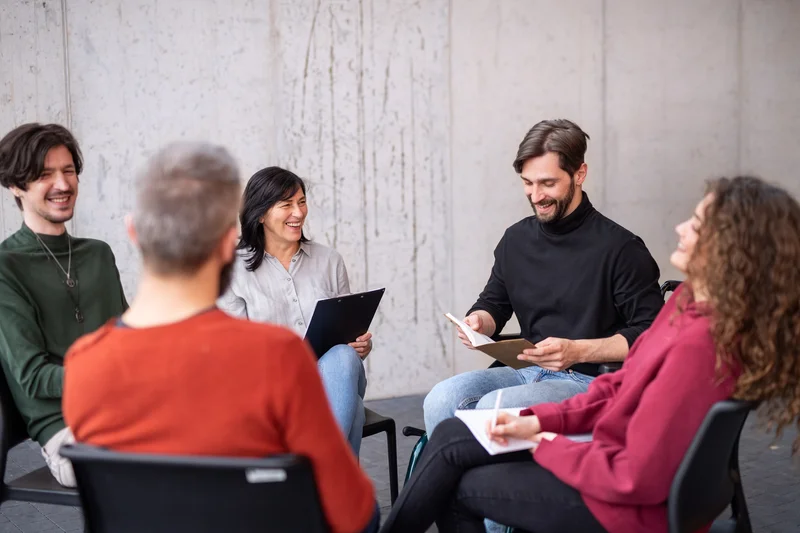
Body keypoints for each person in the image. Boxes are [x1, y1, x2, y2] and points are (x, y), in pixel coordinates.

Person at [379, 176, 800, 533]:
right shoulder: (685, 303)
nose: (681, 227)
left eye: (698, 223)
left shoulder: (698, 344)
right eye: (528, 182)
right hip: (607, 459)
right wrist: (534, 421)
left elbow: (637, 478)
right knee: (454, 434)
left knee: (458, 483)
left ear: (733, 248)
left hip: (624, 507)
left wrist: (542, 441)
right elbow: (618, 388)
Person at [62, 142, 379, 533]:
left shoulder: (83, 364)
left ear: (133, 232)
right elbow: (353, 514)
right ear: (231, 241)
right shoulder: (276, 354)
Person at [424, 119, 663, 432]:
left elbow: (653, 335)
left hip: (591, 381)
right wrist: (479, 322)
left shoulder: (621, 248)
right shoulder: (515, 240)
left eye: (547, 183)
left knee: (491, 410)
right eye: (528, 183)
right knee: (441, 398)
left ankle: (484, 478)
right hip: (527, 369)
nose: (535, 195)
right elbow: (493, 304)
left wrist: (578, 351)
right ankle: (462, 479)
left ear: (579, 174)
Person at [0, 123, 127, 487]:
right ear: (15, 185)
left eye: (68, 171)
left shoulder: (98, 254)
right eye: (44, 175)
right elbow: (33, 377)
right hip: (68, 431)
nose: (63, 184)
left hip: (126, 411)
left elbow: (131, 341)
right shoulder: (7, 266)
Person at [218, 167, 372, 455]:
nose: (299, 212)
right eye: (286, 204)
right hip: (273, 390)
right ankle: (334, 485)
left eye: (301, 202)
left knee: (343, 355)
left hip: (335, 376)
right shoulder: (232, 271)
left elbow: (349, 335)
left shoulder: (329, 261)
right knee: (355, 415)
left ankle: (316, 469)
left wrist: (361, 344)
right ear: (260, 213)